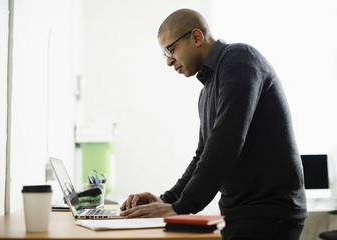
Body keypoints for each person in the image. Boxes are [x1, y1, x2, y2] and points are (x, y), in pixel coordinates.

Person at [120, 8, 308, 240]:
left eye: (170, 50)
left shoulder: (240, 58)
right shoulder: (207, 91)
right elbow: (203, 155)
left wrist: (181, 207)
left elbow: (226, 140)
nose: (169, 61)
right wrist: (168, 200)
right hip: (239, 214)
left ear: (196, 37)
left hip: (268, 213)